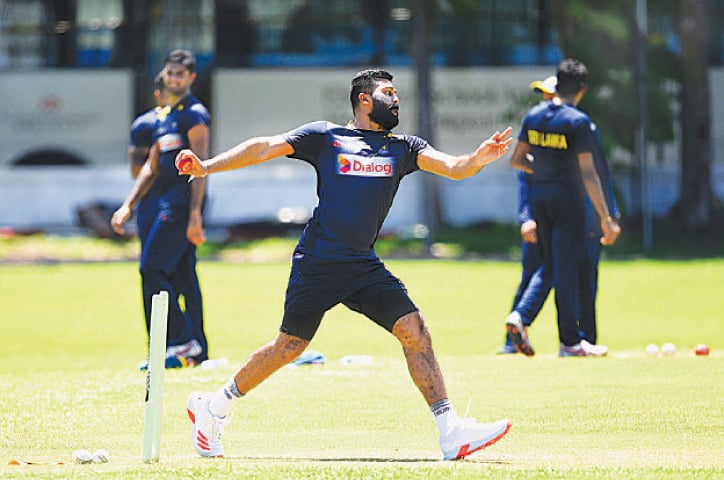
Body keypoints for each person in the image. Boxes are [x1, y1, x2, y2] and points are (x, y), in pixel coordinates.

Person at [178, 69, 513, 460]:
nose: (397, 99)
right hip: (319, 260)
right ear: (364, 100)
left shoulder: (404, 147)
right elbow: (263, 147)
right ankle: (213, 408)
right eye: (389, 93)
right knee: (289, 346)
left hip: (362, 264)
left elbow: (455, 167)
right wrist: (206, 166)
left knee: (415, 331)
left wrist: (478, 158)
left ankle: (451, 431)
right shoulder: (325, 137)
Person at [499, 75, 620, 356]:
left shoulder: (535, 118)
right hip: (570, 205)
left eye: (547, 92)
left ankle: (529, 320)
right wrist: (606, 216)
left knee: (554, 268)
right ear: (580, 90)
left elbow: (517, 160)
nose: (544, 98)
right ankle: (566, 340)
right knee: (560, 270)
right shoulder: (578, 122)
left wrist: (543, 170)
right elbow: (590, 173)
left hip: (545, 202)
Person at [111, 49, 210, 366]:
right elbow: (150, 169)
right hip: (158, 203)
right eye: (170, 73)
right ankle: (183, 351)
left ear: (191, 78)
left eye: (180, 74)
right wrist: (127, 206)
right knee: (180, 274)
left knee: (151, 269)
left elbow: (200, 167)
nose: (174, 78)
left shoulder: (195, 115)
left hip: (179, 205)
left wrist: (196, 214)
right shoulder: (164, 117)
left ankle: (181, 342)